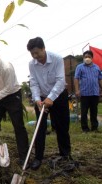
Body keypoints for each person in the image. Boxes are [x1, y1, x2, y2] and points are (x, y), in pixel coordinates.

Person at [27, 37, 72, 170]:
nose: (36, 56)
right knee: (40, 127)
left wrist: (51, 97)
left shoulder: (57, 59)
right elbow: (34, 83)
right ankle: (38, 157)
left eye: (37, 53)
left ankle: (65, 154)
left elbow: (60, 81)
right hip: (41, 98)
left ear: (43, 48)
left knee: (62, 126)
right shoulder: (32, 64)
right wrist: (37, 100)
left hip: (58, 96)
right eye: (32, 54)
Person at [0, 47, 29, 167]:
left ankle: (24, 157)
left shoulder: (7, 68)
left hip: (12, 95)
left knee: (18, 125)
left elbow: (8, 88)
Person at [74, 50, 102, 132]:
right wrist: (77, 90)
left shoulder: (97, 67)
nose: (87, 58)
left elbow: (100, 79)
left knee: (94, 112)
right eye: (85, 57)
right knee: (84, 112)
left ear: (92, 58)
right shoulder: (80, 67)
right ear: (83, 58)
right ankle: (85, 128)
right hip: (84, 93)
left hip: (95, 93)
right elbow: (76, 78)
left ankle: (94, 128)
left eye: (89, 57)